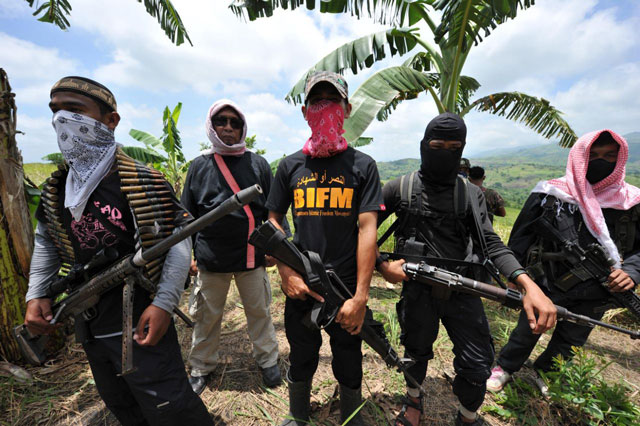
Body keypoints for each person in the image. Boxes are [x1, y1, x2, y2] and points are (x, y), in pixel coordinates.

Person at [23, 76, 213, 426]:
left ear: (111, 120)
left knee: (169, 404)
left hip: (139, 313)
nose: (62, 121)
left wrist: (163, 303)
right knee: (120, 401)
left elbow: (176, 240)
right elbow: (47, 240)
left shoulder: (144, 180)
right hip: (90, 320)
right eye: (56, 111)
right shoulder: (58, 187)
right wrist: (36, 293)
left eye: (75, 111)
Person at [375, 112, 557, 426]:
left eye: (452, 147)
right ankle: (414, 399)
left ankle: (468, 416)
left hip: (463, 288)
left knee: (477, 365)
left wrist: (529, 285)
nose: (443, 152)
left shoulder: (471, 194)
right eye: (436, 144)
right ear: (423, 145)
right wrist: (383, 267)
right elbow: (362, 232)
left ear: (462, 150)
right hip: (417, 289)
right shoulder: (398, 188)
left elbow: (491, 243)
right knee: (415, 353)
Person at [266, 71, 383, 426]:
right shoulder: (290, 166)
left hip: (345, 287)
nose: (325, 109)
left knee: (349, 355)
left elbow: (367, 230)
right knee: (302, 354)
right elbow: (273, 222)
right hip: (302, 284)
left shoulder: (363, 167)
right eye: (317, 102)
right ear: (305, 112)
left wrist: (361, 297)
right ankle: (297, 415)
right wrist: (286, 272)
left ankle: (352, 416)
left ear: (346, 108)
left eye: (332, 102)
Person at [487, 130, 640, 395]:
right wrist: (515, 276)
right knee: (529, 328)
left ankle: (546, 372)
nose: (601, 162)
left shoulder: (631, 202)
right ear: (580, 157)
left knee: (572, 338)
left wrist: (631, 271)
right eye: (594, 156)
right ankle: (505, 366)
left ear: (620, 160)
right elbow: (521, 237)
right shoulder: (551, 193)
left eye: (609, 156)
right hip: (546, 282)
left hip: (598, 290)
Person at [181, 99, 282, 394]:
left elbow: (272, 210)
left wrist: (276, 247)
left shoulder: (258, 164)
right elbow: (187, 216)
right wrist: (188, 256)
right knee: (206, 317)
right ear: (211, 127)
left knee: (260, 311)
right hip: (210, 258)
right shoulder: (199, 166)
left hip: (252, 255)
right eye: (221, 122)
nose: (227, 127)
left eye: (234, 122)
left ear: (243, 128)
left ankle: (268, 361)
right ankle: (201, 366)